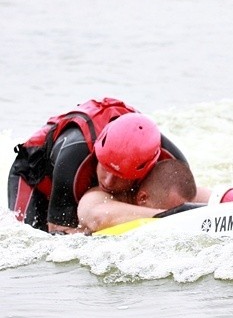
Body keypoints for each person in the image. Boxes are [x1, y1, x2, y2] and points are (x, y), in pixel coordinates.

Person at [7, 97, 209, 233]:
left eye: (120, 175)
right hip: (36, 172)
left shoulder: (172, 161)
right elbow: (58, 232)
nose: (108, 181)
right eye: (105, 168)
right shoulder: (72, 160)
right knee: (35, 240)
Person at [77, 158, 198, 234]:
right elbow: (100, 219)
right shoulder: (97, 196)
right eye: (165, 210)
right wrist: (172, 216)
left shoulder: (176, 197)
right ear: (142, 198)